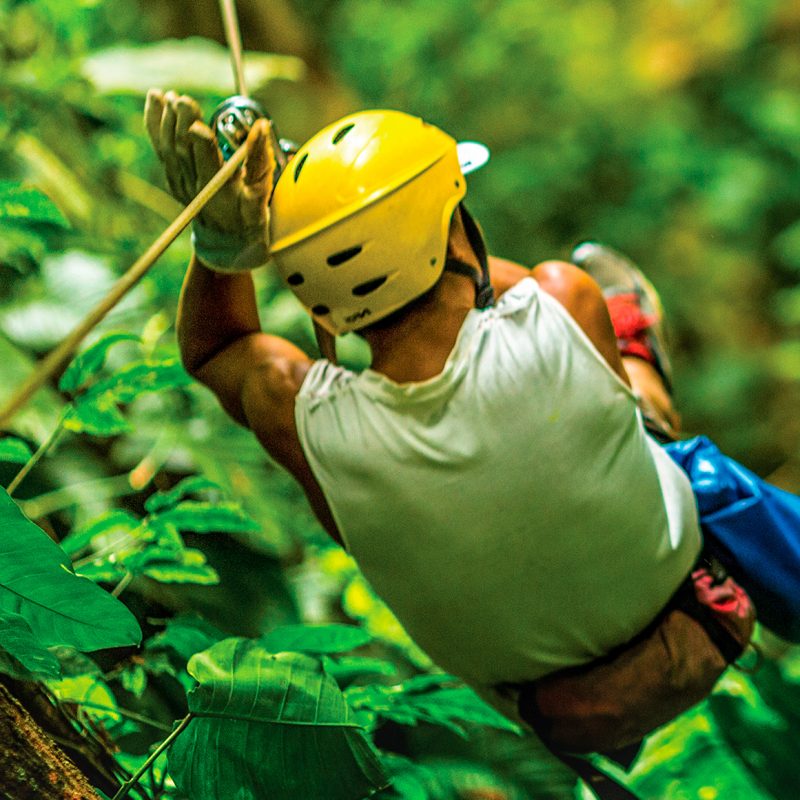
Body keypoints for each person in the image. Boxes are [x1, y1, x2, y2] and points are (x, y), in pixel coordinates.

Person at [144, 91, 751, 787]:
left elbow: (217, 349)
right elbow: (507, 296)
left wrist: (227, 247)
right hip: (705, 616)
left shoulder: (307, 422)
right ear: (456, 234)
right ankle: (640, 354)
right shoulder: (558, 299)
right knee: (632, 399)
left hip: (561, 717)